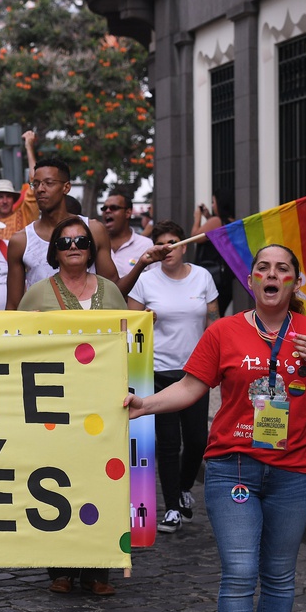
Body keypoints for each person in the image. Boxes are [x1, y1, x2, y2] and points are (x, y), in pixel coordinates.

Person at [124, 244, 306, 612]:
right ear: (251, 281)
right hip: (233, 467)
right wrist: (146, 403)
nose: (272, 274)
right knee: (241, 572)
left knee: (280, 575)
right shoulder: (223, 331)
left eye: (282, 269)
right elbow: (190, 387)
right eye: (263, 268)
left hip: (294, 470)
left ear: (294, 282)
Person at [19, 216, 127, 596]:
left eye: (80, 240)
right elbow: (16, 346)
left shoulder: (111, 291)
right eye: (64, 243)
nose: (73, 247)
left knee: (103, 483)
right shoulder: (36, 294)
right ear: (54, 251)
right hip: (55, 406)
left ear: (91, 247)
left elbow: (128, 340)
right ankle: (60, 569)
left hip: (104, 405)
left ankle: (99, 571)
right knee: (57, 482)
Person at [127, 221, 219, 533]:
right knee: (167, 442)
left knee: (196, 440)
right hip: (158, 372)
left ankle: (182, 488)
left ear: (184, 246)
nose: (168, 249)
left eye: (174, 242)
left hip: (196, 371)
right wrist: (144, 321)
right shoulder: (146, 281)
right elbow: (130, 325)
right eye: (161, 244)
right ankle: (171, 509)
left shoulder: (202, 277)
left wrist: (218, 356)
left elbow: (214, 320)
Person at [6, 158, 117, 309]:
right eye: (36, 184)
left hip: (90, 325)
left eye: (49, 183)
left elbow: (113, 288)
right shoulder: (21, 241)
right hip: (43, 328)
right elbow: (13, 305)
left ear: (66, 187)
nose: (40, 189)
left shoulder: (94, 230)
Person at [192, 190, 235, 315]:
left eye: (213, 202)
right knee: (218, 313)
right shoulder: (232, 221)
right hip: (224, 278)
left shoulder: (216, 221)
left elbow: (195, 237)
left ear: (220, 203)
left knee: (210, 316)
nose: (212, 205)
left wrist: (197, 218)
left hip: (212, 277)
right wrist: (208, 217)